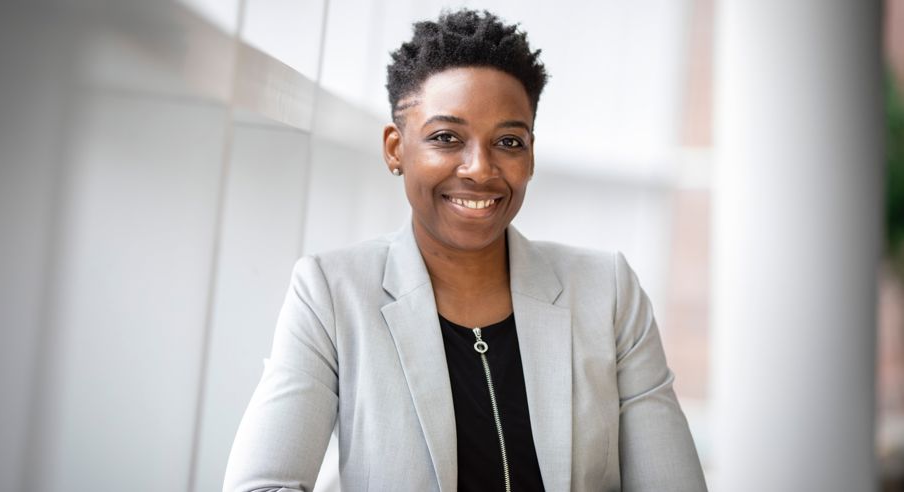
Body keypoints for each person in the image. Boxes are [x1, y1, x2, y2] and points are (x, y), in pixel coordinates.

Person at [223, 9, 706, 492]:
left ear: (530, 156)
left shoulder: (608, 291)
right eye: (446, 138)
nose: (479, 169)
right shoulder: (331, 293)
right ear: (395, 148)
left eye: (509, 141)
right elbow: (261, 485)